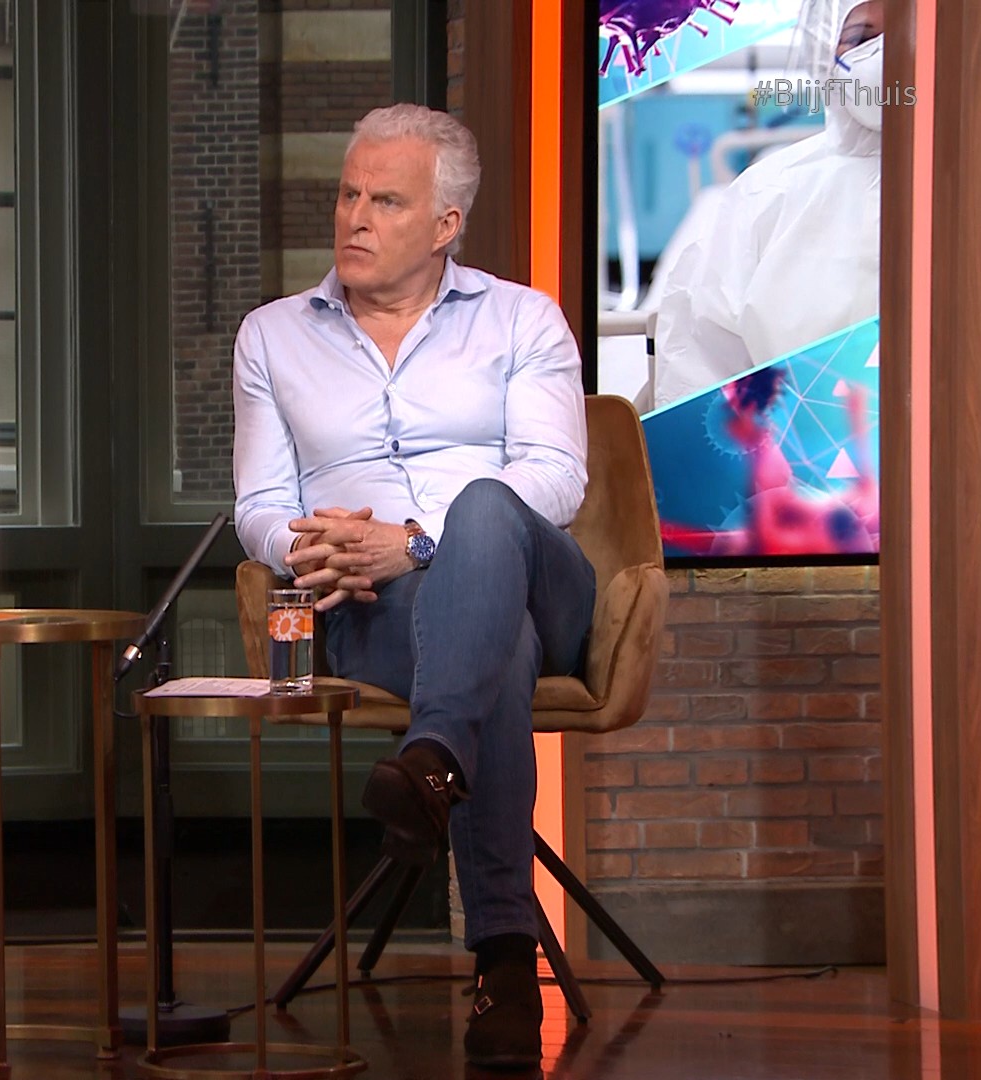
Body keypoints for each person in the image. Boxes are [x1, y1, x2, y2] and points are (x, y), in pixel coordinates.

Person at [232, 103, 592, 1071]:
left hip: (537, 577)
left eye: (385, 201)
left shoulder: (522, 319)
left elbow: (556, 480)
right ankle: (501, 950)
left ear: (445, 225)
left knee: (486, 507)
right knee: (496, 652)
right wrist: (311, 543)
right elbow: (259, 505)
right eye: (347, 194)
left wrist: (420, 542)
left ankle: (431, 759)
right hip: (370, 607)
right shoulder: (271, 337)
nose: (354, 217)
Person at [649, 0, 886, 409]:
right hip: (791, 445)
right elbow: (699, 372)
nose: (884, 55)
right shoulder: (766, 194)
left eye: (909, 29)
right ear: (824, 52)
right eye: (861, 38)